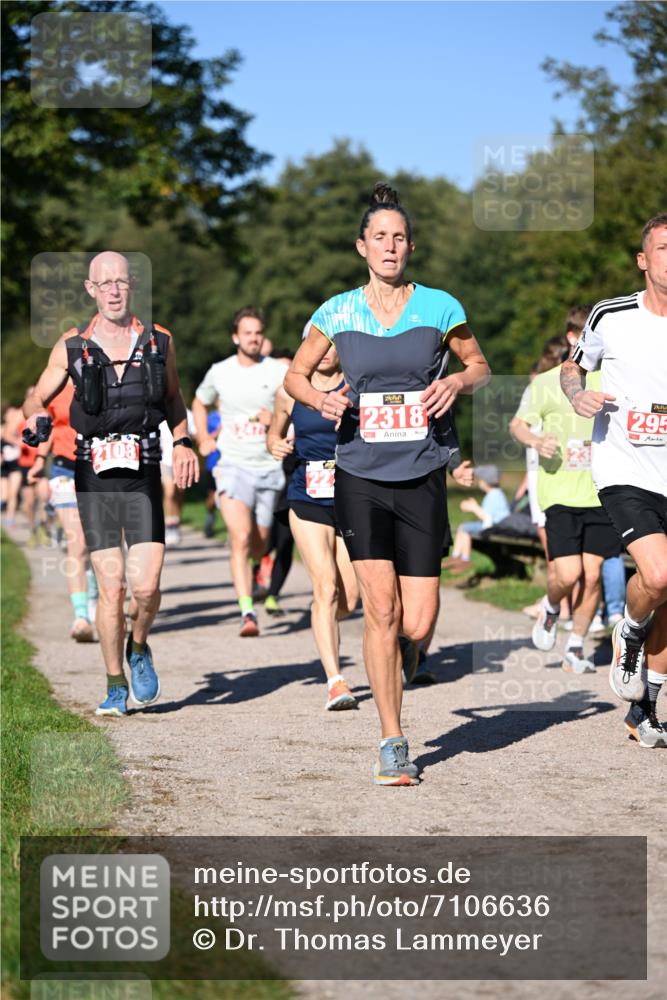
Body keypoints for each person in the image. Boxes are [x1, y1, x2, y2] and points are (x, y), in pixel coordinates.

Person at [284, 182, 490, 785]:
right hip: (360, 474)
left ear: (411, 246)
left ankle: (396, 661)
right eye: (380, 237)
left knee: (418, 621)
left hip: (422, 472)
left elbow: (477, 363)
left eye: (400, 237)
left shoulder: (440, 307)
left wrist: (457, 383)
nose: (391, 246)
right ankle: (392, 740)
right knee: (379, 607)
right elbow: (296, 376)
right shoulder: (337, 311)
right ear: (362, 246)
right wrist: (321, 398)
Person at [23, 251, 198, 717]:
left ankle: (138, 645)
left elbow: (175, 397)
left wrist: (183, 442)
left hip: (142, 472)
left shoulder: (159, 342)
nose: (115, 290)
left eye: (122, 281)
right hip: (93, 474)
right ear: (91, 290)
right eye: (106, 284)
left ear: (132, 285)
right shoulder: (72, 346)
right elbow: (36, 396)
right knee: (113, 585)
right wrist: (36, 417)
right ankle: (115, 684)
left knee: (145, 588)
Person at [561, 213, 667, 746]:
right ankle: (627, 629)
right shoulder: (612, 315)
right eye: (665, 248)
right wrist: (577, 393)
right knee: (661, 572)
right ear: (643, 259)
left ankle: (644, 707)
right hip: (625, 467)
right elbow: (571, 367)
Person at [512, 306, 622, 673]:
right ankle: (551, 605)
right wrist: (536, 439)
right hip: (558, 492)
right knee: (569, 574)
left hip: (600, 491)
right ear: (574, 339)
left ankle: (575, 646)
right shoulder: (544, 383)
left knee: (593, 575)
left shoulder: (615, 379)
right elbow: (517, 425)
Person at [268, 341, 359, 710]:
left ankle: (321, 618)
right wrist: (274, 444)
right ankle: (336, 681)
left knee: (349, 599)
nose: (324, 352)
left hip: (353, 498)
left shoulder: (357, 385)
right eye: (315, 344)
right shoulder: (289, 390)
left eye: (332, 345)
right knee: (325, 586)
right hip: (306, 496)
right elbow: (273, 434)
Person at [192, 307, 286, 637]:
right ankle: (247, 611)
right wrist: (203, 437)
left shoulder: (278, 372)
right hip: (232, 465)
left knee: (259, 545)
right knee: (240, 536)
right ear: (236, 337)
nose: (254, 338)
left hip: (268, 466)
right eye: (247, 333)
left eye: (258, 332)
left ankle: (259, 567)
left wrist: (273, 422)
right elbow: (199, 402)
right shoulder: (220, 372)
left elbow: (293, 409)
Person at [27, 379, 97, 642]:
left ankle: (94, 601)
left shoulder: (105, 372)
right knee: (76, 544)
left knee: (98, 545)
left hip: (102, 469)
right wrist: (38, 461)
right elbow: (49, 428)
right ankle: (81, 616)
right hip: (64, 469)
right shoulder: (54, 385)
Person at [444, 464, 510, 572]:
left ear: (485, 482)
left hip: (495, 527)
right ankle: (456, 557)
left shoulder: (494, 496)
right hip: (494, 525)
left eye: (480, 480)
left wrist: (474, 507)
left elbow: (487, 518)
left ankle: (465, 559)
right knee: (463, 527)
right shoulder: (495, 494)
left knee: (465, 529)